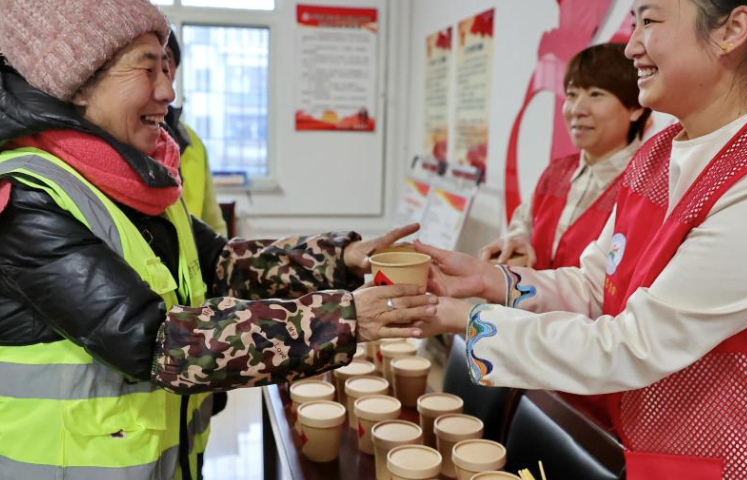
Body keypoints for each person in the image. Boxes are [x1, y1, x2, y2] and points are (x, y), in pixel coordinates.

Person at [0, 1, 436, 479]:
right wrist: (345, 319)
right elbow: (157, 343)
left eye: (167, 68)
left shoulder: (134, 181)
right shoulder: (27, 198)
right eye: (148, 69)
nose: (168, 91)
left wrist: (341, 256)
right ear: (79, 84)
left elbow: (220, 262)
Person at [415, 1, 747, 478]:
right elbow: (597, 287)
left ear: (733, 28)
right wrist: (491, 280)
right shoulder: (659, 153)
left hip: (737, 457)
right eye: (633, 21)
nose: (633, 45)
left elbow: (634, 344)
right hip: (645, 441)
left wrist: (468, 322)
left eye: (651, 21)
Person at [481, 44, 650, 269]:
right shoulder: (556, 173)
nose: (577, 109)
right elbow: (524, 223)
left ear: (635, 108)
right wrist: (517, 241)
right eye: (572, 94)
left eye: (596, 94)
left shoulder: (647, 186)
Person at [163, 29, 229, 236]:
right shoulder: (126, 137)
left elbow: (214, 221)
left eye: (167, 59)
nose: (161, 69)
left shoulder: (192, 141)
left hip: (195, 261)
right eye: (148, 62)